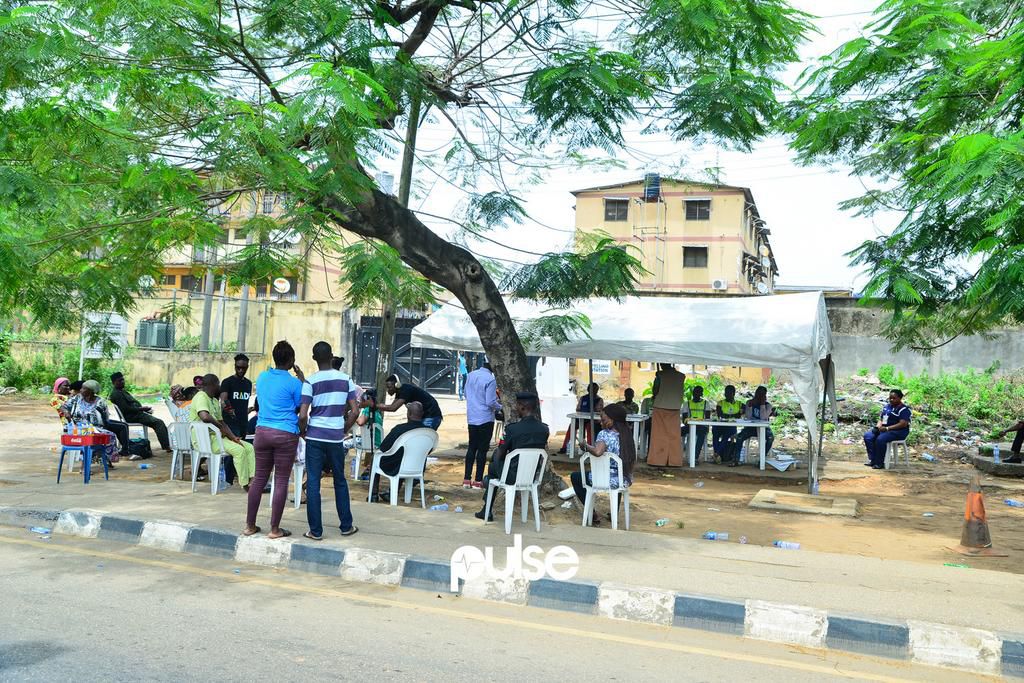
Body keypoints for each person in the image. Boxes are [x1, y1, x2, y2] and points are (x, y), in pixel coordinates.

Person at [245, 341, 305, 539]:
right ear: (291, 360)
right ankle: (274, 529)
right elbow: (299, 407)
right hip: (286, 433)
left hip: (262, 431)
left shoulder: (262, 378)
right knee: (280, 480)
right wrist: (302, 379)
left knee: (259, 478)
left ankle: (250, 525)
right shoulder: (294, 383)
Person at [300, 341, 360, 540]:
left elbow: (302, 415)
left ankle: (315, 531)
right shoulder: (345, 379)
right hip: (335, 438)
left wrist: (303, 432)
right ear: (332, 355)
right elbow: (355, 410)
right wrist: (343, 428)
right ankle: (346, 526)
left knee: (314, 483)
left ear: (314, 358)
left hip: (315, 436)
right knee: (340, 481)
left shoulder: (310, 382)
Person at [475, 392, 550, 521]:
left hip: (512, 476)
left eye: (517, 405)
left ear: (522, 407)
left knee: (493, 465)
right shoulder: (544, 429)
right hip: (531, 476)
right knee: (494, 467)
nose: (515, 408)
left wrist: (496, 458)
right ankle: (487, 484)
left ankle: (487, 504)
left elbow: (500, 453)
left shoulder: (512, 429)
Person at [570, 403, 635, 526]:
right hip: (624, 478)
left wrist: (585, 446)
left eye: (603, 419)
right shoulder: (627, 435)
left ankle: (592, 513)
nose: (600, 422)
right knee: (617, 476)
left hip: (604, 478)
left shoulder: (605, 434)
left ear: (612, 420)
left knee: (576, 477)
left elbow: (598, 452)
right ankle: (613, 513)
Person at [189, 373, 256, 489]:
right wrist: (219, 426)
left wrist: (233, 437)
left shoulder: (214, 401)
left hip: (218, 438)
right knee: (239, 451)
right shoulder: (201, 397)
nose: (219, 387)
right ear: (212, 385)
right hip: (205, 441)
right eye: (218, 384)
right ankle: (245, 484)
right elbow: (204, 416)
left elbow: (223, 423)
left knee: (249, 447)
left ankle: (253, 481)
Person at [370, 401, 427, 502]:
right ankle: (392, 492)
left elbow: (383, 448)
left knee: (375, 458)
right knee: (402, 458)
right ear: (422, 414)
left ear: (408, 414)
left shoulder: (399, 429)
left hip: (395, 467)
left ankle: (374, 494)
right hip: (417, 467)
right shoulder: (428, 431)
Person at [108, 371, 171, 453]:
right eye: (119, 380)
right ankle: (167, 446)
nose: (122, 382)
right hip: (133, 416)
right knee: (158, 423)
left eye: (123, 380)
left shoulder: (121, 391)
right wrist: (142, 409)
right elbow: (126, 409)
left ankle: (167, 444)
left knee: (158, 422)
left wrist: (144, 409)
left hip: (137, 413)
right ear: (114, 382)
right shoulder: (116, 394)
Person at [61, 380, 122, 464]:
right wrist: (66, 412)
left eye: (83, 388)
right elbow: (64, 407)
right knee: (89, 437)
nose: (81, 390)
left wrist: (99, 427)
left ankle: (104, 459)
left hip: (96, 428)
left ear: (90, 391)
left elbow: (105, 419)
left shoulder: (100, 402)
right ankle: (87, 462)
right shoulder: (77, 398)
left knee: (110, 436)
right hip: (78, 428)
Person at [463, 361, 500, 489]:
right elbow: (490, 401)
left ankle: (466, 479)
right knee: (482, 449)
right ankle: (478, 480)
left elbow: (466, 394)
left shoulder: (471, 375)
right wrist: (500, 406)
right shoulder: (490, 379)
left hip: (472, 416)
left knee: (472, 447)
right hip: (485, 417)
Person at [219, 353, 253, 485]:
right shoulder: (227, 382)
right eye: (238, 367)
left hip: (243, 422)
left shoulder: (248, 384)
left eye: (243, 368)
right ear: (235, 366)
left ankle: (234, 477)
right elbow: (223, 399)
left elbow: (243, 403)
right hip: (230, 423)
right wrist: (229, 409)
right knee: (232, 451)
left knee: (242, 450)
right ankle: (227, 479)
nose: (241, 370)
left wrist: (247, 411)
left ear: (247, 367)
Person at [863, 389, 911, 469]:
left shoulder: (904, 409)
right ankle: (873, 460)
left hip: (898, 431)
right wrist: (877, 427)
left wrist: (888, 428)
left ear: (900, 398)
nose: (891, 400)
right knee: (868, 436)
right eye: (890, 398)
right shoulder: (887, 407)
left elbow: (903, 424)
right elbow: (881, 419)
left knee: (880, 439)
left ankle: (879, 463)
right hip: (885, 429)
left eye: (894, 398)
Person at [648, 363, 685, 467]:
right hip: (675, 407)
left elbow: (655, 389)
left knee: (658, 435)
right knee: (674, 436)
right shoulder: (681, 376)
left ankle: (658, 460)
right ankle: (674, 461)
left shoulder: (660, 375)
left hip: (660, 406)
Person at [735, 385, 776, 464]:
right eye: (758, 394)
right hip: (751, 428)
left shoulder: (768, 405)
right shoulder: (749, 402)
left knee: (770, 438)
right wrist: (750, 406)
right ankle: (736, 459)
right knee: (739, 437)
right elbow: (748, 417)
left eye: (762, 394)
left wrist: (762, 404)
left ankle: (762, 459)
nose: (759, 396)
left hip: (763, 428)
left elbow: (763, 417)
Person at [558, 382, 604, 454]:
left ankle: (590, 448)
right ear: (588, 389)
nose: (593, 391)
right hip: (581, 419)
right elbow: (578, 409)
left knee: (590, 427)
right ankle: (565, 447)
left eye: (595, 389)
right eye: (591, 389)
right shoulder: (583, 398)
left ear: (597, 390)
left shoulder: (599, 400)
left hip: (592, 421)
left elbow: (598, 411)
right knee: (572, 426)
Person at [681, 385, 713, 464]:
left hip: (702, 426)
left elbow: (707, 419)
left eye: (699, 392)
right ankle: (675, 454)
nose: (697, 394)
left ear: (701, 393)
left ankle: (695, 457)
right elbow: (684, 419)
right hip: (689, 426)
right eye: (695, 392)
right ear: (692, 393)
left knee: (701, 435)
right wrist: (688, 424)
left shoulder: (706, 403)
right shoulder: (687, 403)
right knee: (677, 432)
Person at [713, 385, 743, 465]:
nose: (726, 395)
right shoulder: (720, 403)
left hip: (731, 426)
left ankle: (717, 454)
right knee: (714, 431)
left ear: (734, 393)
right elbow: (720, 415)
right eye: (726, 393)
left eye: (729, 393)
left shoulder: (739, 403)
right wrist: (734, 415)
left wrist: (729, 415)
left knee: (728, 434)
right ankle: (717, 453)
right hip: (720, 425)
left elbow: (740, 414)